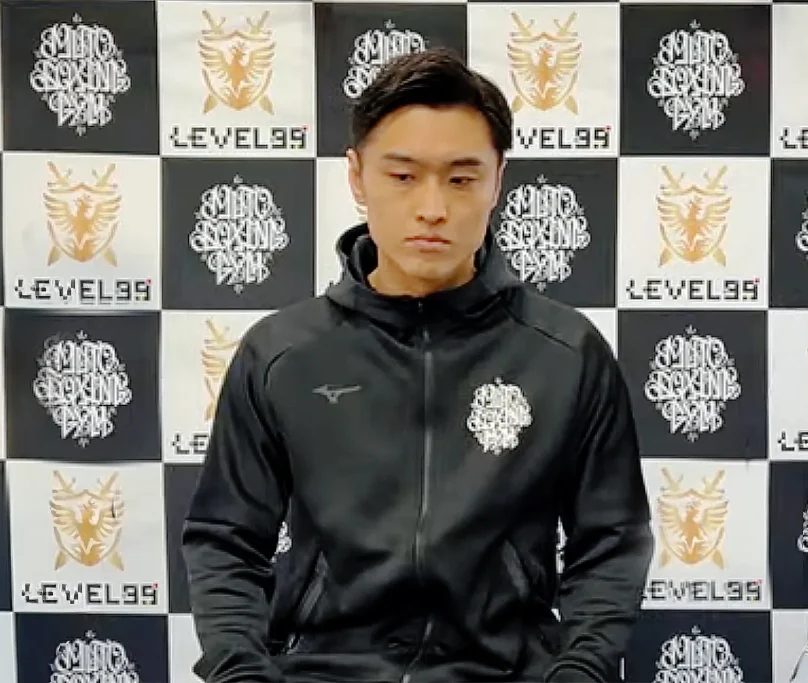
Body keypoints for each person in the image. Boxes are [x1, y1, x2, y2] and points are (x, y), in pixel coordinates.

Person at [182, 47, 654, 683]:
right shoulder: (281, 353)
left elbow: (612, 543)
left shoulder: (566, 352)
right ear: (357, 177)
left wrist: (581, 672)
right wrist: (242, 675)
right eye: (403, 176)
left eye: (461, 179)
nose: (432, 208)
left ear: (497, 181)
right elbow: (225, 540)